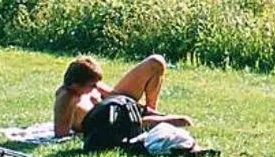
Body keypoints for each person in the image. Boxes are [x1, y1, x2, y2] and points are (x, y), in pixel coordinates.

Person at [52, 54, 195, 139]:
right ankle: (151, 122)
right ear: (76, 85)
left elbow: (117, 96)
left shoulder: (90, 87)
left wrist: (149, 112)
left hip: (119, 107)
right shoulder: (67, 98)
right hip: (114, 123)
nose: (97, 87)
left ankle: (152, 113)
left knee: (155, 62)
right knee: (183, 121)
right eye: (93, 85)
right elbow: (61, 134)